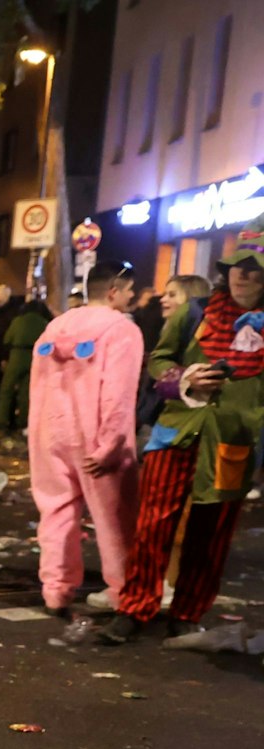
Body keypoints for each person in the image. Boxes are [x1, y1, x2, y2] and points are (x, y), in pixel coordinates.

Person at [101, 236, 264, 644]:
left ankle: (189, 612)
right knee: (153, 522)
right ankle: (135, 608)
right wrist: (186, 378)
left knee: (211, 532)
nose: (243, 274)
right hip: (176, 432)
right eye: (237, 265)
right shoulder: (198, 311)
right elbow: (159, 359)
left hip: (233, 441)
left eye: (255, 266)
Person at [26, 260, 141, 616]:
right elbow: (118, 394)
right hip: (94, 435)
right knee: (115, 519)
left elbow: (37, 386)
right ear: (113, 292)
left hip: (51, 431)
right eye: (129, 290)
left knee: (56, 512)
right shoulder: (121, 330)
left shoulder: (54, 327)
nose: (133, 296)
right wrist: (112, 442)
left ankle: (56, 590)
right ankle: (125, 593)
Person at [0, 295, 52, 433]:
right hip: (33, 357)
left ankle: (2, 419)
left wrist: (4, 358)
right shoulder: (43, 322)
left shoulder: (18, 321)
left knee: (7, 388)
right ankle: (24, 421)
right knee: (26, 391)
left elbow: (7, 339)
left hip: (16, 355)